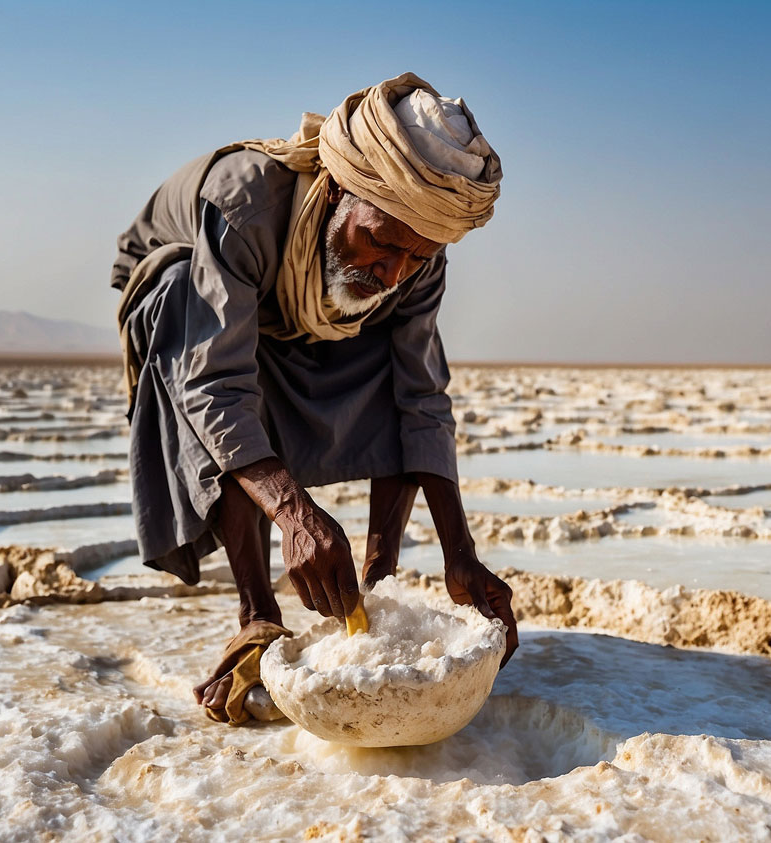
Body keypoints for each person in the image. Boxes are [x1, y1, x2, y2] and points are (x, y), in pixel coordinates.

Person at [112, 73, 518, 725]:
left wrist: (460, 554)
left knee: (391, 350)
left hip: (305, 312)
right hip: (192, 306)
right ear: (334, 190)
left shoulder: (413, 262)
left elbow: (421, 394)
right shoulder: (243, 203)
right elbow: (215, 383)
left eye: (414, 257)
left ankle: (375, 590)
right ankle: (256, 616)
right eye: (380, 240)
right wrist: (295, 514)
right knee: (192, 310)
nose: (391, 271)